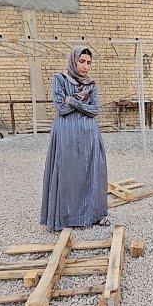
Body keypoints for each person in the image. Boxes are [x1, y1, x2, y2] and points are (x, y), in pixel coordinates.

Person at [40, 46, 109, 232]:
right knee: (68, 175)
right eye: (82, 61)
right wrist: (81, 104)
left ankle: (92, 215)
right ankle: (65, 217)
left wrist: (72, 101)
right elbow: (61, 109)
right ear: (73, 60)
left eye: (88, 63)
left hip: (90, 137)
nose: (85, 66)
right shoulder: (59, 79)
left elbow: (95, 110)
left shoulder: (91, 84)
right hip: (67, 136)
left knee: (91, 174)